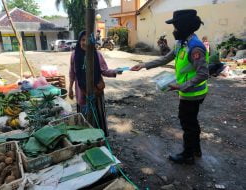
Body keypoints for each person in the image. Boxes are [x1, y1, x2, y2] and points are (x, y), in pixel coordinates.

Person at [131, 9, 209, 165]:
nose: (174, 31)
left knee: (187, 123)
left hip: (193, 93)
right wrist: (144, 65)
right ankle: (195, 149)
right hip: (186, 91)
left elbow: (203, 74)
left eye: (176, 27)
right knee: (192, 122)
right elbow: (165, 58)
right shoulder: (182, 43)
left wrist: (181, 86)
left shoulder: (195, 47)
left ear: (185, 27)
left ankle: (188, 155)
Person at [69, 30, 122, 136]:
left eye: (87, 40)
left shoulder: (97, 54)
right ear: (79, 41)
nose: (85, 42)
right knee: (84, 117)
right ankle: (86, 138)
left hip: (96, 91)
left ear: (92, 41)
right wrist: (70, 88)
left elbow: (104, 70)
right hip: (81, 92)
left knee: (97, 115)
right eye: (82, 40)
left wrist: (115, 71)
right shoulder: (74, 55)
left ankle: (100, 138)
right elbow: (72, 73)